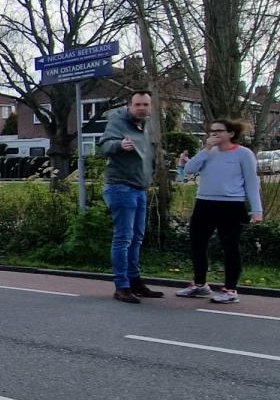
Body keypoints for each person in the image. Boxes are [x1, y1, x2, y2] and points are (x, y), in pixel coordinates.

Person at [175, 119, 264, 304]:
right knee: (197, 244)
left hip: (231, 205)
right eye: (212, 131)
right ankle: (200, 285)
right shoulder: (208, 153)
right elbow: (189, 169)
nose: (214, 134)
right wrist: (205, 150)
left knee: (230, 247)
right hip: (204, 203)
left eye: (219, 131)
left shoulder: (243, 154)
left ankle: (230, 290)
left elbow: (252, 182)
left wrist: (257, 210)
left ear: (230, 134)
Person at [98, 90, 161, 304]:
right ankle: (122, 286)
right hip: (121, 187)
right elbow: (104, 145)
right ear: (130, 106)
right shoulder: (118, 122)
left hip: (140, 188)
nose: (142, 108)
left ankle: (135, 281)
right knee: (123, 238)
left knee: (137, 238)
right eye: (138, 104)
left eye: (146, 104)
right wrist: (119, 145)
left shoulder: (146, 126)